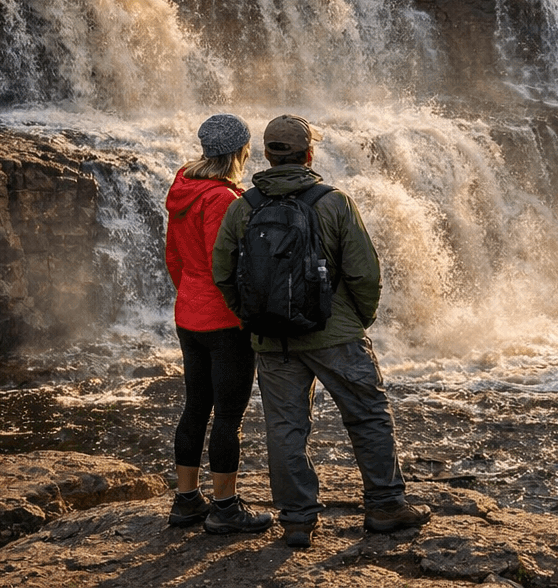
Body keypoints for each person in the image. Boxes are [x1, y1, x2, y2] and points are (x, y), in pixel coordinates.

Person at [213, 114, 430, 549]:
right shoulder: (334, 202)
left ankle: (296, 521)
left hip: (272, 340)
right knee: (367, 414)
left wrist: (251, 319)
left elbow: (222, 273)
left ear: (267, 155)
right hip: (337, 335)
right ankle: (385, 505)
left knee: (285, 427)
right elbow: (365, 273)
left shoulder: (243, 206)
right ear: (309, 154)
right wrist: (358, 320)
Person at [163, 113, 273, 535]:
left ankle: (186, 499)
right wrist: (244, 312)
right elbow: (223, 265)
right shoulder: (223, 199)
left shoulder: (183, 187)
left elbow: (175, 256)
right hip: (222, 321)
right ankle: (225, 507)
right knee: (228, 415)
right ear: (240, 151)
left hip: (188, 314)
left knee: (196, 406)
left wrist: (189, 295)